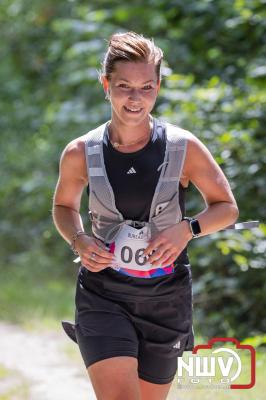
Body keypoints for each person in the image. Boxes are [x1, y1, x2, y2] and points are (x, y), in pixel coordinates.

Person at [52, 32, 239, 400]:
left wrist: (187, 230)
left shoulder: (183, 147)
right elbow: (63, 207)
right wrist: (79, 238)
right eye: (124, 86)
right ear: (106, 85)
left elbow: (227, 208)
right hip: (103, 295)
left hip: (165, 300)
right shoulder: (80, 152)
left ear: (158, 88)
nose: (135, 98)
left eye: (146, 87)